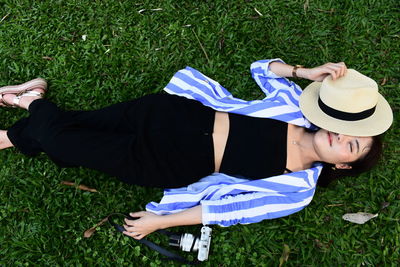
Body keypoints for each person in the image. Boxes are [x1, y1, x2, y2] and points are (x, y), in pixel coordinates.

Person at [0, 59, 393, 240]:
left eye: (351, 147)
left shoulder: (297, 188)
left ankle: (29, 101)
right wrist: (302, 73)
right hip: (172, 115)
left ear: (343, 167)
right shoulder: (295, 108)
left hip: (166, 161)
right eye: (346, 132)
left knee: (61, 138)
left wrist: (161, 222)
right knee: (83, 127)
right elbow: (261, 69)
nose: (341, 139)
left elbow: (232, 210)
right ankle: (17, 125)